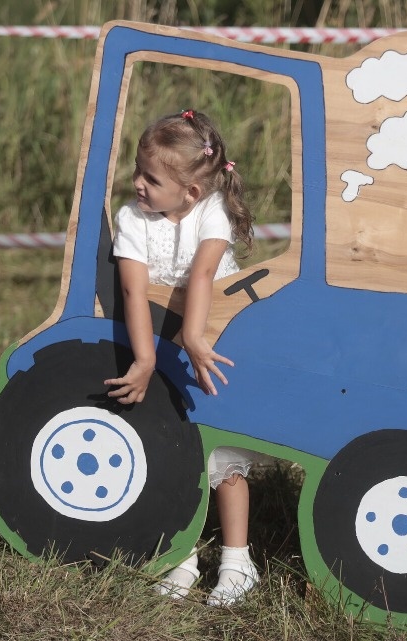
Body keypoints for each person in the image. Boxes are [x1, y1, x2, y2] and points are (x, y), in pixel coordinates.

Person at [103, 109, 260, 606]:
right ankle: (182, 555)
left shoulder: (210, 210)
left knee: (225, 459)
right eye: (137, 170)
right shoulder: (131, 218)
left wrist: (194, 336)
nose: (137, 184)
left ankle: (238, 561)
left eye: (151, 178)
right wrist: (145, 360)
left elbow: (203, 275)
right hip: (161, 345)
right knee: (176, 452)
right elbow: (132, 291)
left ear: (190, 192)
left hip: (211, 343)